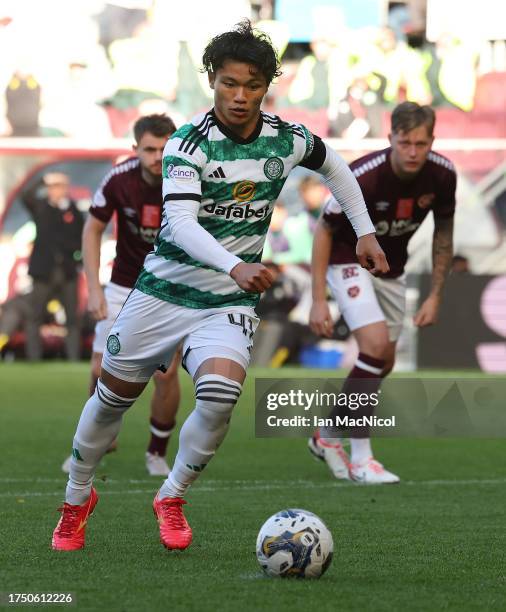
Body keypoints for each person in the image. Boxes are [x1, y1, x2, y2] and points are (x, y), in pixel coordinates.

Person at [51, 20, 388, 553]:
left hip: (226, 302)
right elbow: (181, 225)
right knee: (112, 399)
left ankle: (172, 495)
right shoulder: (188, 143)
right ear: (212, 79)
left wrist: (365, 232)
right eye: (229, 84)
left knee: (220, 394)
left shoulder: (287, 138)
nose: (239, 96)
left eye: (251, 85)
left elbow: (339, 170)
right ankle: (76, 498)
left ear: (266, 86)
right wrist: (234, 264)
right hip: (163, 293)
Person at [308, 101, 456, 484]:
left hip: (393, 269)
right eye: (404, 142)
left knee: (382, 362)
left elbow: (444, 234)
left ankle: (326, 436)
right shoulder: (362, 176)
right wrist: (319, 298)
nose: (412, 151)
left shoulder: (443, 176)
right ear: (390, 138)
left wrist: (436, 294)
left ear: (432, 142)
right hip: (348, 259)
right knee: (373, 348)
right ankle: (362, 459)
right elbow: (324, 229)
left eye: (420, 144)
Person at [61, 114, 181, 477]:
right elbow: (92, 228)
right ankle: (91, 447)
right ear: (135, 149)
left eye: (165, 148)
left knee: (165, 374)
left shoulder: (192, 177)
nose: (158, 156)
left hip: (170, 289)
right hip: (123, 285)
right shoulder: (118, 179)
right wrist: (95, 289)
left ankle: (156, 453)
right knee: (100, 370)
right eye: (150, 149)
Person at [22, 173, 84, 360]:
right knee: (35, 315)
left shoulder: (72, 210)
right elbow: (25, 195)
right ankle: (34, 358)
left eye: (60, 186)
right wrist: (42, 179)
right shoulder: (41, 207)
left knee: (72, 317)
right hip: (43, 271)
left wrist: (77, 261)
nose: (56, 190)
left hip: (67, 271)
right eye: (53, 186)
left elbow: (81, 236)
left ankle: (73, 357)